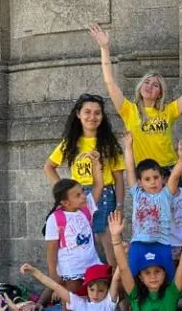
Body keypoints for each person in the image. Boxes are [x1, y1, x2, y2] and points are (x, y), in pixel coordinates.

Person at [90, 24, 182, 176]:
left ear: (160, 93)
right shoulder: (129, 110)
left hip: (169, 170)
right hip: (144, 173)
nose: (149, 86)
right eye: (146, 82)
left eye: (155, 85)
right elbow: (110, 82)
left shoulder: (168, 110)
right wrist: (105, 48)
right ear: (139, 87)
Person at [44, 93, 125, 268]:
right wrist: (64, 191)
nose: (92, 117)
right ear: (79, 114)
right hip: (79, 196)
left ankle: (116, 286)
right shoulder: (71, 143)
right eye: (87, 112)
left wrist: (119, 205)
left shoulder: (109, 144)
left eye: (97, 113)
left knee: (107, 239)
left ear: (102, 117)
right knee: (83, 238)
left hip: (104, 194)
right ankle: (91, 285)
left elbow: (119, 179)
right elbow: (49, 166)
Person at [39, 177, 105, 311]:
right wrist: (54, 275)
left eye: (82, 191)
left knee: (98, 302)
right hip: (72, 272)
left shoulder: (85, 209)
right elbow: (51, 250)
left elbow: (99, 185)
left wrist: (97, 165)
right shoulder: (56, 219)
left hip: (92, 267)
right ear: (65, 202)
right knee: (70, 309)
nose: (83, 196)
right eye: (77, 195)